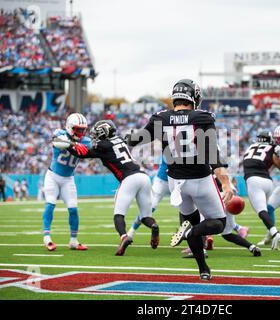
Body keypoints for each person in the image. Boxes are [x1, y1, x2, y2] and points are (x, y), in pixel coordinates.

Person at [126, 79, 233, 281]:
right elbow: (211, 154)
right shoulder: (202, 117)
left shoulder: (160, 118)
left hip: (175, 182)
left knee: (191, 217)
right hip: (200, 180)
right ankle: (193, 235)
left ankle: (203, 268)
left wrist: (121, 139)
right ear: (194, 97)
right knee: (218, 223)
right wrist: (225, 182)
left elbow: (138, 139)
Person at [68, 120, 159, 256]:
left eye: (97, 133)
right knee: (146, 216)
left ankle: (124, 237)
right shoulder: (120, 140)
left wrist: (68, 145)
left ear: (103, 133)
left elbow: (82, 153)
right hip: (143, 177)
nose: (95, 136)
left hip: (129, 179)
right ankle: (154, 226)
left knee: (118, 215)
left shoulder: (103, 145)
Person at [42, 113, 91, 252]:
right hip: (53, 176)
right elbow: (58, 142)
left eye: (83, 130)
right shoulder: (60, 133)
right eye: (78, 129)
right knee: (51, 203)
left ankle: (74, 241)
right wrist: (74, 145)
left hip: (68, 179)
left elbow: (93, 149)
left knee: (73, 209)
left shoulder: (85, 141)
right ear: (70, 127)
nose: (81, 133)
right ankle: (47, 238)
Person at [243, 130, 280, 250]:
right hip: (268, 182)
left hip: (253, 180)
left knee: (261, 211)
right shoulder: (272, 147)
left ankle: (275, 233)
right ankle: (272, 233)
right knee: (265, 211)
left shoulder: (250, 147)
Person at [127, 156, 169, 240]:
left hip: (179, 181)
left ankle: (192, 236)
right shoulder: (170, 147)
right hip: (163, 181)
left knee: (188, 207)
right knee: (150, 207)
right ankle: (132, 230)